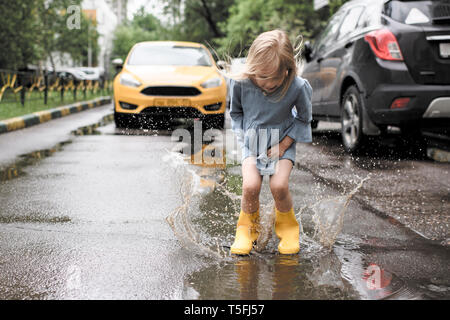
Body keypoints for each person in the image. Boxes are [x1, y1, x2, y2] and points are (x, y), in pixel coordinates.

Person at [227, 29, 313, 255]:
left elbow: (304, 119)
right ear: (253, 67)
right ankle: (247, 231)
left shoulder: (297, 86)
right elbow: (235, 113)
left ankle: (288, 230)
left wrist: (284, 145)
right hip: (251, 142)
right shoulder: (242, 83)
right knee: (250, 186)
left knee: (279, 186)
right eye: (262, 77)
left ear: (288, 70)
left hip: (282, 142)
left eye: (276, 79)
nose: (268, 84)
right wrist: (243, 136)